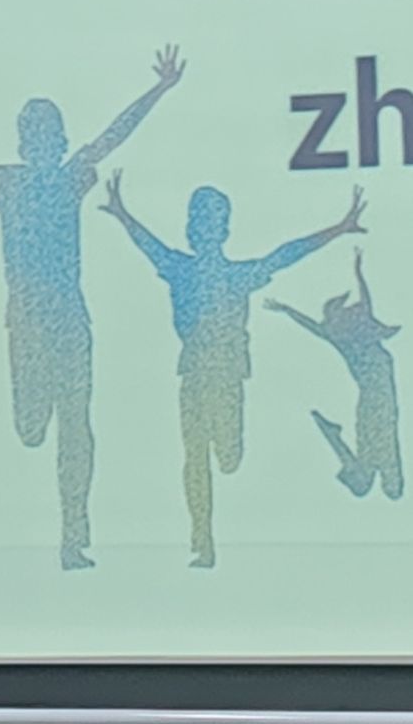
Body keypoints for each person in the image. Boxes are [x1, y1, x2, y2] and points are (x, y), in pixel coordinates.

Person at [0, 46, 183, 570]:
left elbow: (113, 135)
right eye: (37, 137)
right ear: (26, 144)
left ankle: (74, 539)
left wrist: (159, 89)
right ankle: (54, 476)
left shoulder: (70, 176)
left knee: (76, 426)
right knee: (31, 430)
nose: (45, 145)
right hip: (27, 322)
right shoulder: (9, 182)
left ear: (59, 142)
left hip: (69, 318)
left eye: (51, 137)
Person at [99, 174, 366, 568]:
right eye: (198, 223)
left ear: (223, 231)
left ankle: (208, 523)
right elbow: (148, 244)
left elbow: (286, 254)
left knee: (228, 457)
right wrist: (122, 214)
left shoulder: (237, 275)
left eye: (212, 223)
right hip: (194, 375)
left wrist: (338, 228)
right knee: (195, 457)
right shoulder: (180, 268)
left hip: (228, 377)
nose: (204, 231)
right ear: (191, 230)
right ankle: (202, 542)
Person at [266, 251, 402, 501]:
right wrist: (287, 309)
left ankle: (332, 434)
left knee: (378, 482)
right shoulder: (344, 337)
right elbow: (315, 325)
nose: (352, 311)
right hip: (377, 402)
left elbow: (363, 300)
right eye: (345, 311)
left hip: (377, 403)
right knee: (384, 484)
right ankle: (332, 435)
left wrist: (358, 272)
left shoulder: (351, 334)